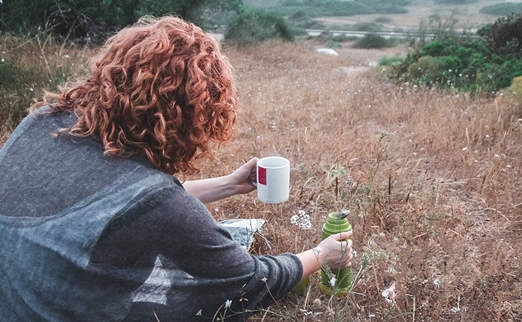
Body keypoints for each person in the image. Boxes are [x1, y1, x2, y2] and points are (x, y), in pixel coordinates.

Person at [0, 16, 353, 322]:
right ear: (193, 116)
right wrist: (321, 255)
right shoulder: (158, 204)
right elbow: (250, 280)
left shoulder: (42, 122)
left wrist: (228, 185)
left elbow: (117, 208)